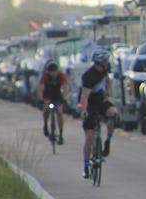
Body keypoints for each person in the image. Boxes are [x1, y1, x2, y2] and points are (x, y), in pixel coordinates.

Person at [78, 48, 119, 178]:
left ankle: (107, 141)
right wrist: (83, 110)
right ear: (100, 62)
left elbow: (108, 80)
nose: (108, 62)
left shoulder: (105, 69)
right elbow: (84, 96)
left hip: (101, 101)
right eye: (106, 61)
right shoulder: (89, 76)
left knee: (113, 113)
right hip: (91, 104)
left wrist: (107, 93)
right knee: (89, 138)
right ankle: (85, 166)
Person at [37, 62, 69, 142]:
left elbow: (66, 88)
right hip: (47, 94)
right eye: (51, 72)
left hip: (57, 95)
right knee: (46, 109)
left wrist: (64, 98)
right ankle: (45, 125)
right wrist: (41, 99)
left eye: (54, 71)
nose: (53, 74)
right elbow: (40, 89)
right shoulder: (45, 76)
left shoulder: (62, 76)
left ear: (57, 71)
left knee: (59, 113)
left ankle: (61, 133)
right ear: (48, 72)